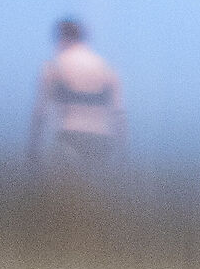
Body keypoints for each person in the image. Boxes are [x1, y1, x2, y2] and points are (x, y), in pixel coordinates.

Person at [28, 18, 126, 178]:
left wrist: (33, 148)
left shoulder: (54, 67)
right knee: (95, 188)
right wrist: (123, 153)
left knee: (64, 187)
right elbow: (118, 113)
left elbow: (40, 112)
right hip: (101, 138)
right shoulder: (106, 68)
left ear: (62, 37)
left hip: (69, 135)